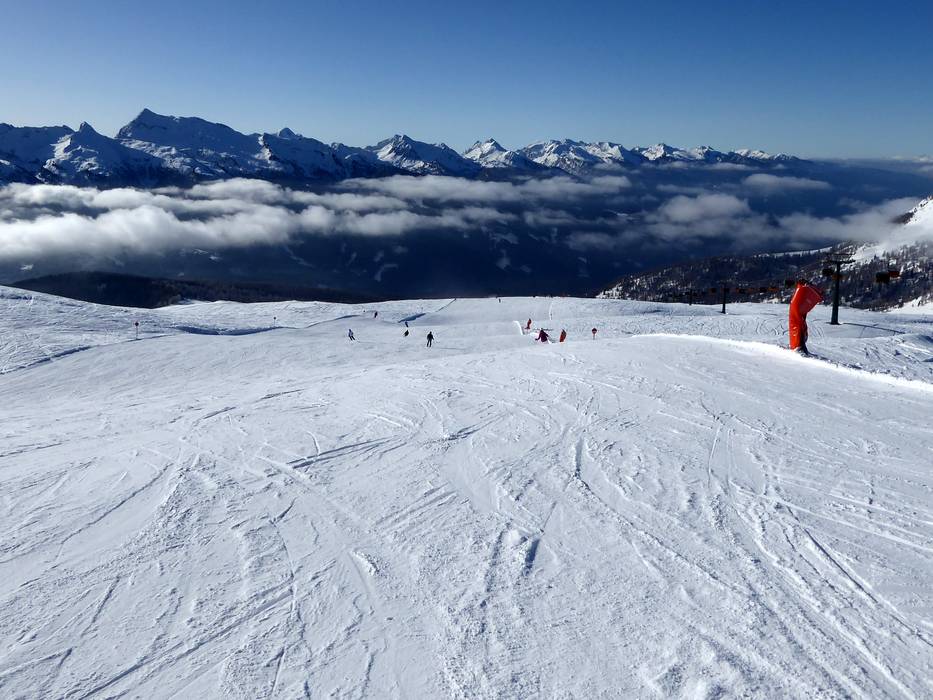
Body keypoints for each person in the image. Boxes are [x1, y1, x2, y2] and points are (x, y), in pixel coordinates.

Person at [789, 279, 823, 354]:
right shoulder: (800, 294)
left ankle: (797, 345)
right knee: (798, 317)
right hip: (803, 296)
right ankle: (798, 344)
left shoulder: (800, 292)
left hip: (801, 295)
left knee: (796, 317)